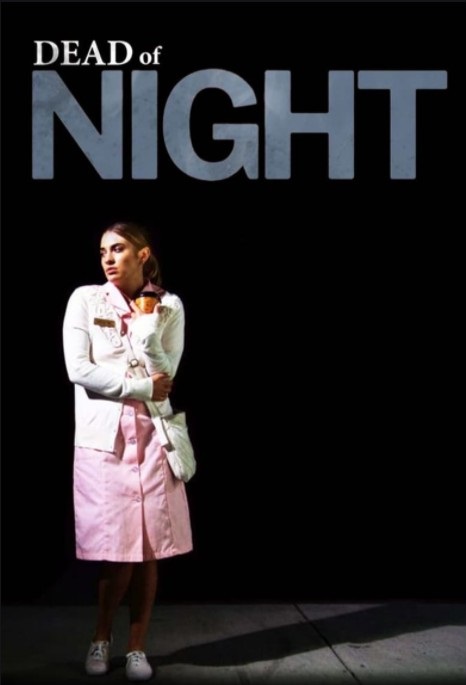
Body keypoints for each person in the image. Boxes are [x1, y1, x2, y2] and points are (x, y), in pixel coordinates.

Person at [63, 222, 193, 681]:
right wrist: (138, 386)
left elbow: (167, 373)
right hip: (106, 440)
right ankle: (101, 636)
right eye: (103, 251)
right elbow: (79, 369)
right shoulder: (86, 299)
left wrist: (147, 328)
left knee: (150, 549)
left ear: (143, 254)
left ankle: (138, 647)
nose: (108, 259)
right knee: (116, 551)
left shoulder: (169, 305)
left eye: (118, 249)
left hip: (154, 435)